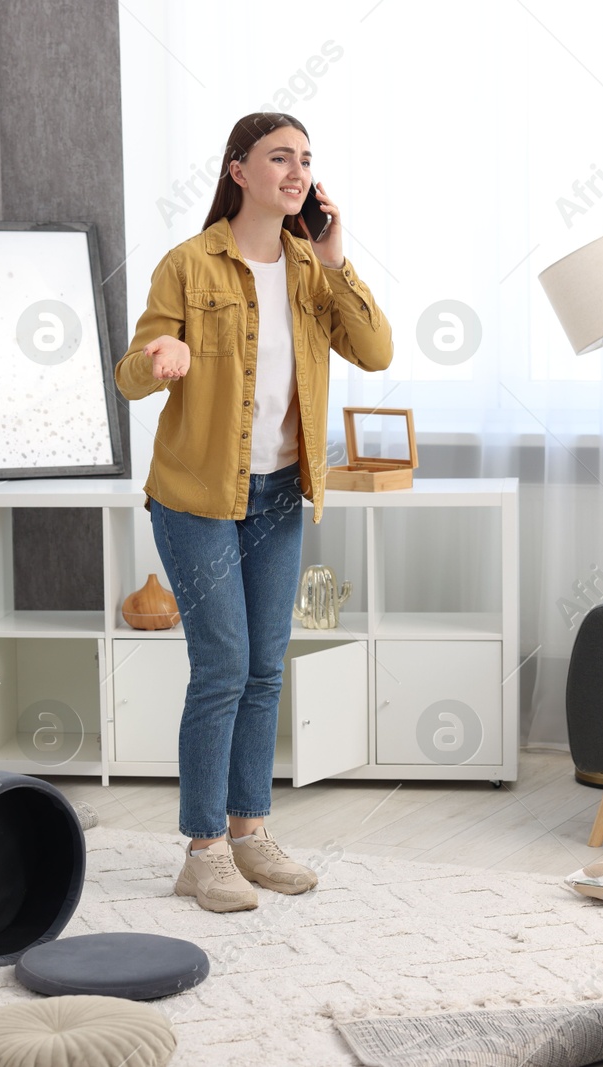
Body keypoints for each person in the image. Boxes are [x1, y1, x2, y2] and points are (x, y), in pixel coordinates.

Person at [114, 112, 393, 912]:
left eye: (306, 159)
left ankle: (248, 832)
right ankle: (202, 850)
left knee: (266, 668)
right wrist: (158, 360)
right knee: (224, 665)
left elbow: (374, 351)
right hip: (197, 495)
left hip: (278, 493)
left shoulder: (310, 269)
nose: (296, 171)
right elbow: (131, 374)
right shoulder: (189, 265)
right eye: (280, 157)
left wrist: (339, 261)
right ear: (238, 170)